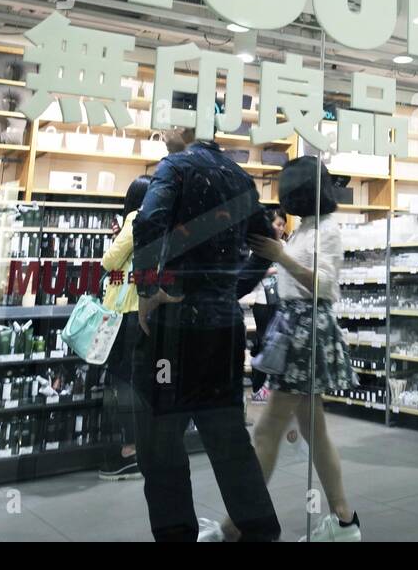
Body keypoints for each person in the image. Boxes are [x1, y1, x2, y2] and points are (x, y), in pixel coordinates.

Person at [131, 126, 280, 542]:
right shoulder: (239, 176)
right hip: (223, 327)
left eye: (167, 123)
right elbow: (267, 242)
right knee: (229, 439)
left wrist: (148, 290)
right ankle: (261, 532)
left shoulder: (175, 168)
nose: (161, 132)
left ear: (185, 127)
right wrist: (231, 290)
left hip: (174, 329)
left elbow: (148, 222)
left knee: (160, 444)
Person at [246, 156, 363, 540]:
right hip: (297, 325)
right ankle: (344, 520)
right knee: (314, 430)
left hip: (305, 327)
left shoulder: (326, 230)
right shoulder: (307, 228)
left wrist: (280, 255)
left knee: (267, 430)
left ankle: (241, 524)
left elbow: (325, 286)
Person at [96, 174, 151, 481]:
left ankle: (131, 451)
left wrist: (118, 240)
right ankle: (140, 447)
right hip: (144, 309)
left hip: (125, 309)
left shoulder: (136, 217)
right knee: (137, 378)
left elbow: (109, 260)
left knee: (121, 379)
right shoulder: (159, 219)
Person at [244, 207, 287, 397]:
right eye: (278, 224)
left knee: (278, 345)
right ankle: (258, 387)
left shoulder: (284, 247)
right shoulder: (258, 247)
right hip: (262, 301)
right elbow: (250, 274)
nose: (281, 228)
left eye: (283, 225)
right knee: (263, 343)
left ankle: (272, 386)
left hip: (281, 300)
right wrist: (275, 270)